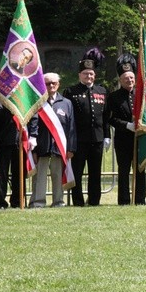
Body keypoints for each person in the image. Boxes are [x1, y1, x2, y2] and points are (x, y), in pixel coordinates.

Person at [63, 48, 110, 206]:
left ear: (94, 75)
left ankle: (94, 200)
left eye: (91, 74)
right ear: (79, 75)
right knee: (77, 171)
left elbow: (105, 116)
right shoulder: (71, 92)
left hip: (97, 138)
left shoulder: (102, 91)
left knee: (95, 172)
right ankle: (78, 201)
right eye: (85, 74)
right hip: (79, 139)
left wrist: (107, 136)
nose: (88, 77)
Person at [29, 73, 76, 208]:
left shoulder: (66, 103)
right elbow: (33, 124)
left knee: (57, 175)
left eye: (53, 83)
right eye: (48, 83)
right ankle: (38, 202)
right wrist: (33, 147)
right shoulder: (37, 103)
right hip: (41, 146)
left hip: (59, 147)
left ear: (58, 84)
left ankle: (58, 202)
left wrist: (71, 148)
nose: (51, 86)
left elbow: (71, 127)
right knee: (39, 177)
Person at [105, 53, 146, 205]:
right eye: (126, 78)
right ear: (120, 80)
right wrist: (126, 125)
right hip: (123, 140)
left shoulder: (140, 95)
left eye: (131, 78)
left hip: (139, 138)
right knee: (123, 171)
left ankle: (140, 199)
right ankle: (123, 200)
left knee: (140, 171)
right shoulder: (114, 97)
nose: (129, 80)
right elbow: (111, 118)